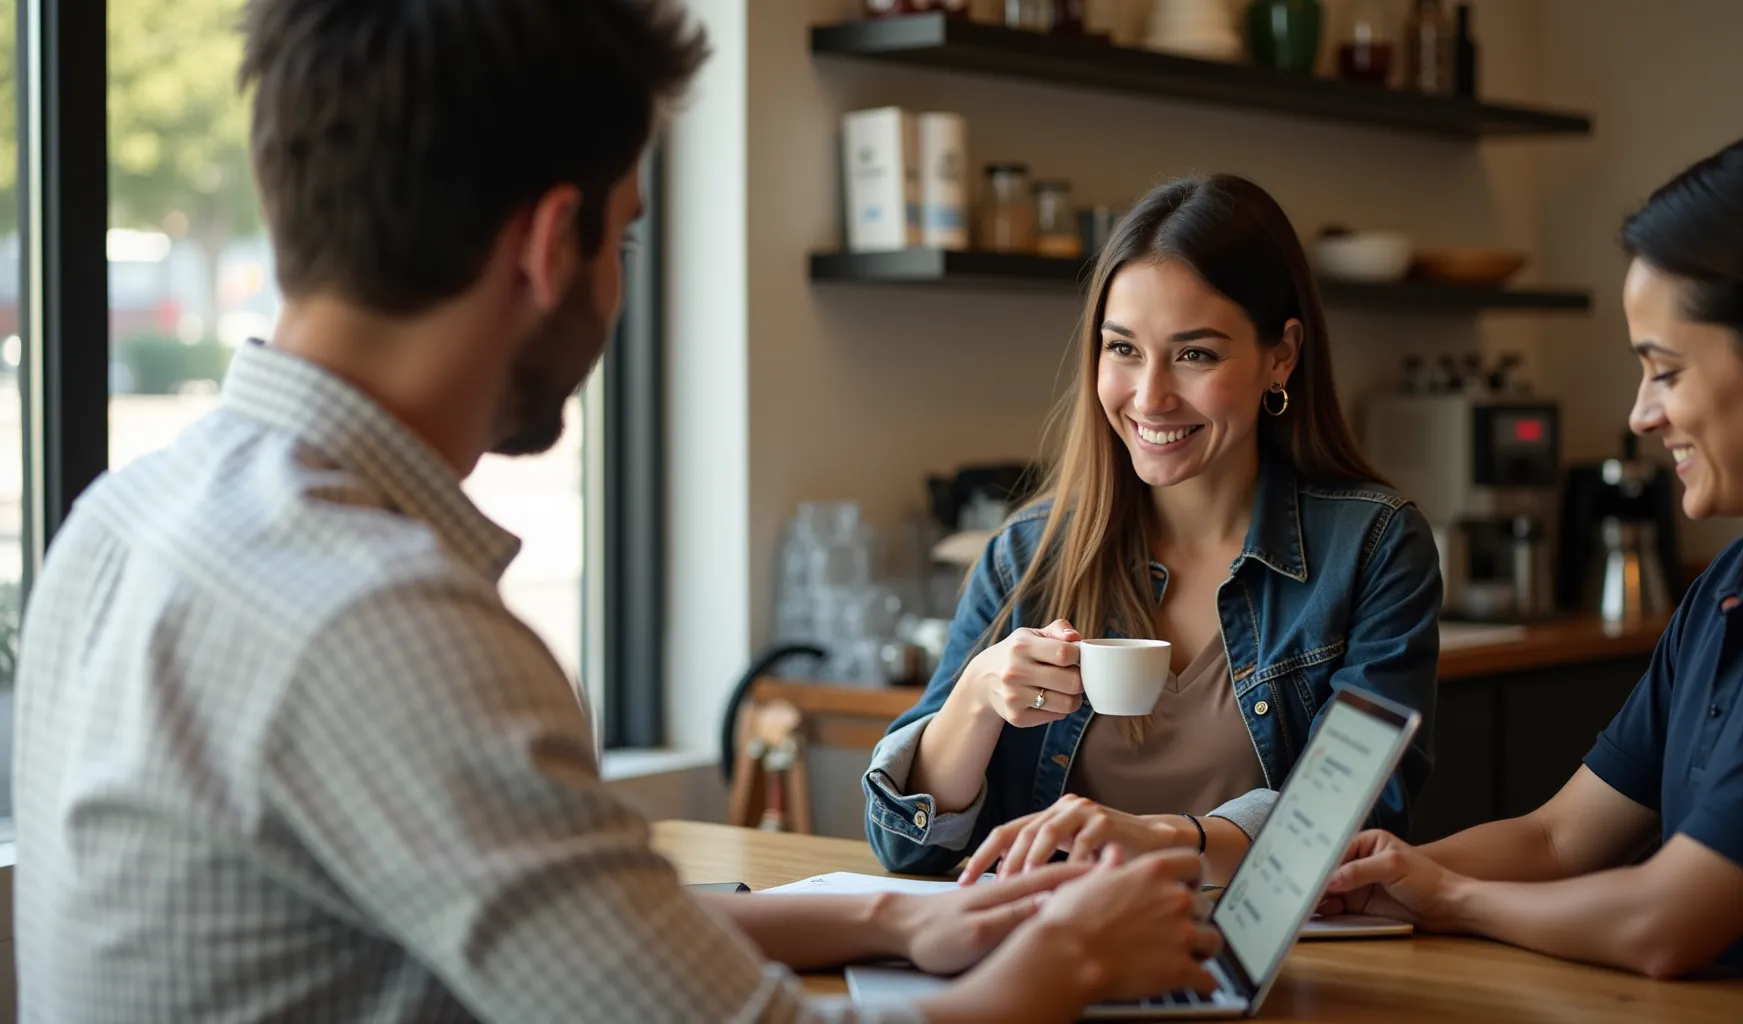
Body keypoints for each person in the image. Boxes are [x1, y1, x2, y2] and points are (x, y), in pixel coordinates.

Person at [10, 2, 1227, 1021]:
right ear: (552, 241)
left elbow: (586, 929)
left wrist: (904, 910)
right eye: (627, 236)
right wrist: (1062, 961)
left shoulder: (119, 520)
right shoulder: (388, 624)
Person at [863, 175, 1442, 884]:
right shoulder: (1028, 555)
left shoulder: (1373, 548)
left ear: (1281, 356)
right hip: (1044, 959)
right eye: (1123, 349)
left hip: (1271, 967)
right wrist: (977, 695)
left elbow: (1361, 815)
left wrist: (1164, 839)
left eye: (1195, 353)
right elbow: (905, 845)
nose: (1150, 396)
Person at [1321, 132, 1743, 979]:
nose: (1642, 413)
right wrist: (1371, 876)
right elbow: (1561, 836)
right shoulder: (1730, 585)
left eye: (1667, 371)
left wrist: (1449, 897)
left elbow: (1662, 923)